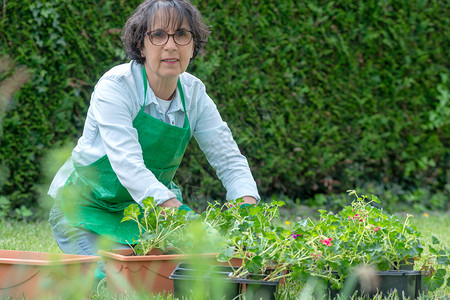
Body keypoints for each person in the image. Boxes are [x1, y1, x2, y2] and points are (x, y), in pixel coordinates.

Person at [47, 0, 259, 282]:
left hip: (150, 218)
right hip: (86, 213)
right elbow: (128, 164)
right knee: (116, 281)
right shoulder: (116, 87)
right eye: (158, 35)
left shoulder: (194, 94)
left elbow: (229, 159)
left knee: (188, 277)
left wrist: (246, 211)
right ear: (141, 45)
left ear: (193, 45)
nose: (171, 46)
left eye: (182, 34)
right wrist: (185, 218)